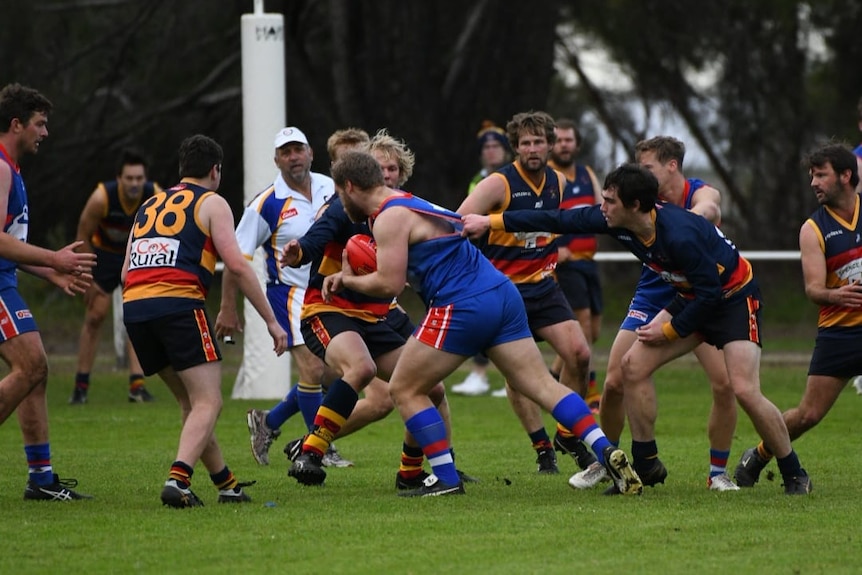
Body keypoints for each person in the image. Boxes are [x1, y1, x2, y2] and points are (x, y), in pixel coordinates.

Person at [463, 162, 813, 495]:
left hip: (733, 300)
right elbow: (558, 218)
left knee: (743, 389)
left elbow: (710, 295)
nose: (603, 207)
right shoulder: (618, 221)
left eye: (610, 201)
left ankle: (794, 471)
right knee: (631, 366)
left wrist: (670, 329)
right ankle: (646, 462)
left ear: (634, 205)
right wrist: (491, 222)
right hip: (691, 298)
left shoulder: (680, 234)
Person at [322, 150, 642, 497]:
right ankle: (605, 450)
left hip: (463, 303)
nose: (342, 201)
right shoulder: (408, 201)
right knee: (542, 386)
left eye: (340, 194)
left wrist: (347, 280)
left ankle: (445, 478)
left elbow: (389, 284)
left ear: (350, 186)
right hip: (502, 292)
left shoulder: (388, 217)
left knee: (405, 388)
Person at [282, 130, 473, 490]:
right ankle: (312, 450)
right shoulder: (345, 206)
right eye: (378, 168)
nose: (385, 175)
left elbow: (442, 231)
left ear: (401, 174)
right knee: (362, 368)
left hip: (378, 313)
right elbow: (319, 234)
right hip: (330, 307)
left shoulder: (404, 211)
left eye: (391, 169)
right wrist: (302, 251)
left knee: (427, 387)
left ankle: (411, 473)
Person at [122, 134, 287, 507]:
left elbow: (125, 269)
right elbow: (238, 266)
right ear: (215, 170)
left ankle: (226, 485)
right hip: (177, 304)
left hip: (135, 307)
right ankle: (179, 480)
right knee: (209, 400)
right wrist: (272, 321)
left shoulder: (149, 203)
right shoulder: (212, 203)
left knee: (191, 401)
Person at [570, 136, 739, 493]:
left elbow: (709, 207)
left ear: (671, 166)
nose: (639, 174)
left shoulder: (697, 194)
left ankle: (717, 473)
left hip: (698, 295)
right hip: (653, 295)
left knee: (725, 384)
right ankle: (609, 462)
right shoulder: (636, 199)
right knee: (615, 380)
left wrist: (688, 228)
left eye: (647, 167)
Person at [458, 111, 595, 475]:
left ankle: (566, 435)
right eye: (525, 143)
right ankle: (542, 449)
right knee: (519, 377)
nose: (532, 149)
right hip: (503, 293)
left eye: (539, 142)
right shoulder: (497, 184)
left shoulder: (558, 182)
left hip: (544, 286)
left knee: (579, 355)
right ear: (514, 147)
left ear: (550, 144)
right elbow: (458, 224)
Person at [216, 126, 349, 468]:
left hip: (327, 291)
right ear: (276, 159)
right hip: (287, 293)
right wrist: (228, 307)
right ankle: (318, 450)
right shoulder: (265, 204)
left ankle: (269, 422)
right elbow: (235, 259)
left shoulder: (330, 187)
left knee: (336, 372)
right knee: (314, 367)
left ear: (311, 153)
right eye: (286, 152)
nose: (293, 157)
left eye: (298, 150)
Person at [734, 143, 862, 486]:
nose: (814, 183)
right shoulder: (813, 229)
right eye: (812, 176)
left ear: (846, 176)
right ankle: (761, 452)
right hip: (840, 335)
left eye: (821, 175)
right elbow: (813, 290)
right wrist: (838, 294)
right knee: (808, 415)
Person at [0, 83, 96, 501]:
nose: (45, 132)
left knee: (34, 375)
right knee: (33, 366)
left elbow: (10, 243)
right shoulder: (1, 167)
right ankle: (40, 478)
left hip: (6, 280)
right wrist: (54, 259)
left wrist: (48, 271)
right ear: (16, 124)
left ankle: (41, 479)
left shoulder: (13, 169)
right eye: (40, 124)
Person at [69, 148, 160, 405]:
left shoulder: (155, 195)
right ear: (119, 178)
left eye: (139, 178)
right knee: (95, 315)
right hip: (104, 255)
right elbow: (82, 233)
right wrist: (86, 274)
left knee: (137, 317)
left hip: (137, 255)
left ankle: (137, 386)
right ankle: (81, 386)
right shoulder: (102, 198)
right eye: (129, 178)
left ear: (145, 179)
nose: (134, 184)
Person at [547, 118, 604, 412]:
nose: (564, 145)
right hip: (564, 267)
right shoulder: (548, 178)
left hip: (589, 263)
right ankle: (590, 392)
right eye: (558, 140)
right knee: (580, 324)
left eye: (568, 140)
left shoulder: (586, 174)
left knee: (593, 330)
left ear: (577, 144)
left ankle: (549, 378)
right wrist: (557, 248)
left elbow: (601, 209)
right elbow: (540, 219)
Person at [451, 122, 510, 397]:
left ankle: (513, 378)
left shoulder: (513, 178)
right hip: (486, 256)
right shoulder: (478, 181)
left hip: (512, 255)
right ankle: (480, 374)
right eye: (486, 147)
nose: (491, 151)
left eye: (496, 145)